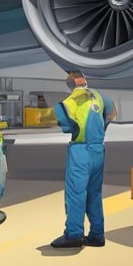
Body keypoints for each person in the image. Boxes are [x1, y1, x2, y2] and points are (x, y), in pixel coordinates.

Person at [51, 70, 115, 248]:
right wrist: (100, 129)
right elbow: (112, 114)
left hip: (81, 150)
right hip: (98, 149)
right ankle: (97, 235)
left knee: (76, 194)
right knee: (94, 194)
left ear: (70, 84)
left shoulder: (69, 101)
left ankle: (74, 235)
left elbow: (65, 124)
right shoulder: (101, 97)